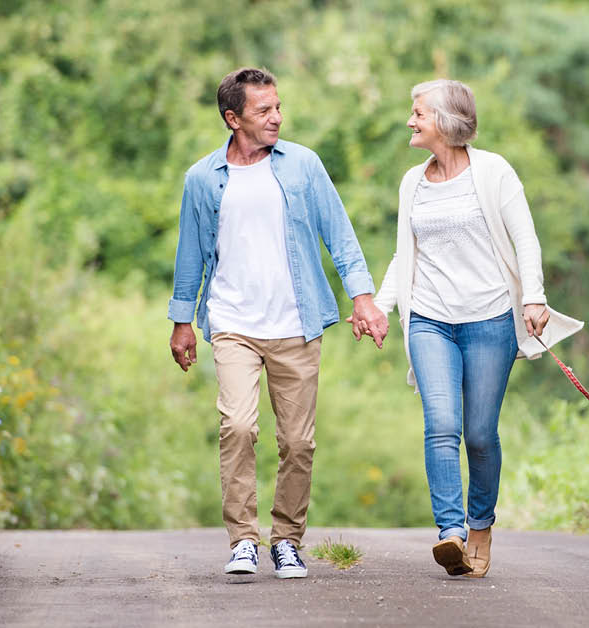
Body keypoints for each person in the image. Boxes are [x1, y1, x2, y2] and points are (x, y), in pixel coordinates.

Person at [167, 67, 387, 580]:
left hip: (296, 322)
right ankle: (243, 539)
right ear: (232, 118)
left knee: (298, 442)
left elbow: (341, 234)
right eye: (264, 111)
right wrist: (181, 321)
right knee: (238, 427)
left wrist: (364, 298)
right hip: (232, 323)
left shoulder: (303, 165)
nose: (277, 118)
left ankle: (286, 541)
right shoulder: (202, 178)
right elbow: (190, 253)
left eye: (278, 107)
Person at [372, 79, 582, 577]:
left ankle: (481, 525)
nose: (410, 121)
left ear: (444, 121)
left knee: (481, 435)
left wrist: (534, 296)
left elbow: (525, 239)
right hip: (429, 319)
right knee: (441, 425)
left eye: (418, 113)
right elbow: (407, 253)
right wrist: (381, 306)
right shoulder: (412, 182)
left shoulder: (494, 171)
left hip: (489, 319)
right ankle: (451, 533)